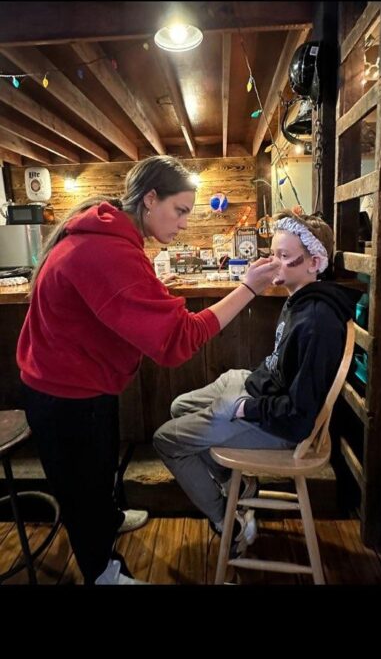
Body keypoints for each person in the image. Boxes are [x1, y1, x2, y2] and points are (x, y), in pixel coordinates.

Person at [16, 156, 279, 585]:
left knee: (98, 470)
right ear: (150, 199)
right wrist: (248, 288)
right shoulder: (106, 249)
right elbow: (178, 341)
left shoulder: (109, 232)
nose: (183, 223)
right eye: (179, 211)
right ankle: (103, 574)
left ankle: (110, 516)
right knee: (82, 487)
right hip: (64, 392)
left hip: (78, 380)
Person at [154, 211, 359, 558]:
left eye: (282, 256)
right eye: (271, 252)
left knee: (166, 440)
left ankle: (229, 525)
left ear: (315, 262)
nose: (271, 262)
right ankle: (238, 481)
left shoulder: (317, 322)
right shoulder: (300, 299)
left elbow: (298, 414)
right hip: (257, 387)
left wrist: (247, 407)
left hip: (277, 421)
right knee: (179, 407)